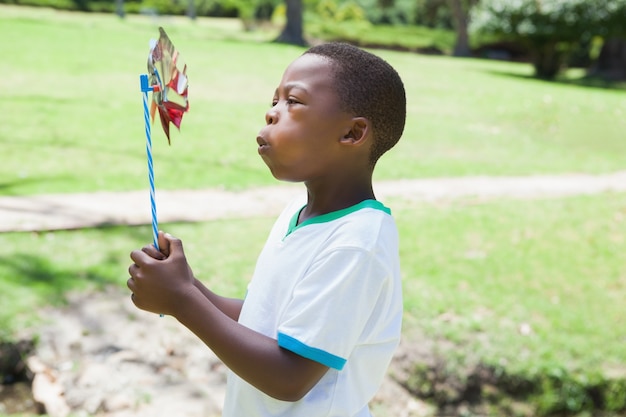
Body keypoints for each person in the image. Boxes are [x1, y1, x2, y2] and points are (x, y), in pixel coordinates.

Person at [127, 41, 406, 417]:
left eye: (293, 101)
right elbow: (265, 321)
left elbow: (289, 377)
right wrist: (189, 286)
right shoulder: (300, 213)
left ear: (352, 134)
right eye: (274, 100)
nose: (272, 112)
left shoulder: (356, 244)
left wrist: (181, 301)